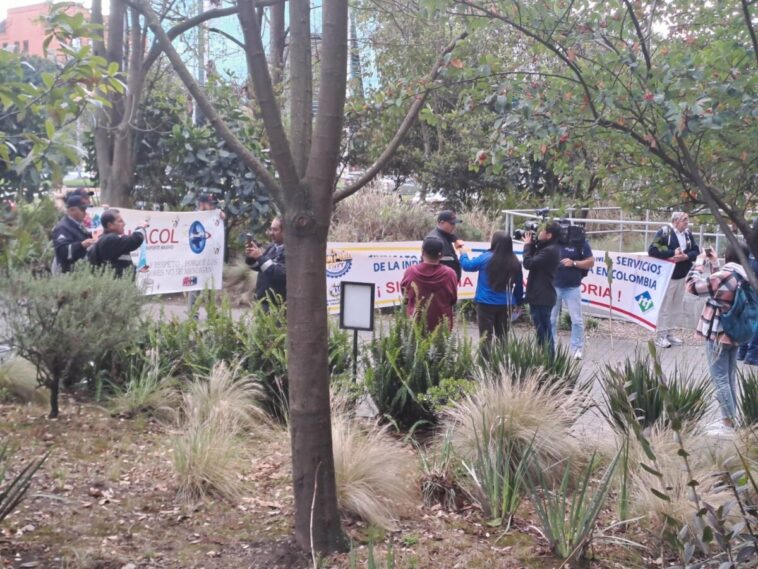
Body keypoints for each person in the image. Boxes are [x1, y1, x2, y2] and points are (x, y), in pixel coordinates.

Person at [686, 242, 751, 432]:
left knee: (720, 377)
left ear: (728, 255)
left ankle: (727, 424)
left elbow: (692, 286)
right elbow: (719, 287)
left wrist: (698, 263)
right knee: (729, 376)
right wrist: (714, 263)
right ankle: (730, 418)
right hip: (735, 331)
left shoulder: (723, 275)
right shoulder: (745, 276)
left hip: (717, 331)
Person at [460, 231, 523, 346]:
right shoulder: (516, 262)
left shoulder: (486, 257)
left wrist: (463, 254)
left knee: (485, 337)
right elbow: (519, 286)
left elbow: (467, 266)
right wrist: (518, 303)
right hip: (506, 304)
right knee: (503, 336)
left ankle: (485, 362)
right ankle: (502, 360)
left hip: (485, 302)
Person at [648, 211, 700, 347]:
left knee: (676, 306)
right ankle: (661, 335)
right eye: (684, 220)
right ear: (676, 221)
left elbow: (695, 251)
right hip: (668, 276)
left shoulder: (688, 234)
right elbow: (652, 250)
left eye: (687, 220)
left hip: (682, 275)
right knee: (665, 306)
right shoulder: (665, 233)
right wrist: (672, 253)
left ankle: (670, 333)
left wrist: (686, 257)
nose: (687, 223)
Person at [550, 229, 595, 360]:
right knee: (551, 319)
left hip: (572, 288)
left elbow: (591, 261)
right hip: (554, 286)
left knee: (576, 320)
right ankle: (550, 347)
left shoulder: (579, 241)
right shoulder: (553, 239)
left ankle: (577, 349)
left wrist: (574, 263)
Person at [401, 236, 458, 331]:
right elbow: (453, 299)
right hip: (442, 328)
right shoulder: (450, 274)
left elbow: (405, 295)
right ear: (441, 255)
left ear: (422, 252)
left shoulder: (410, 272)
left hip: (415, 326)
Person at [522, 221, 562, 357]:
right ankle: (542, 360)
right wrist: (533, 244)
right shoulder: (548, 248)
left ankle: (549, 362)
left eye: (542, 231)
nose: (539, 233)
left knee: (544, 333)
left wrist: (527, 246)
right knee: (541, 333)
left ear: (549, 235)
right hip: (540, 296)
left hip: (542, 297)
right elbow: (535, 259)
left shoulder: (550, 251)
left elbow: (528, 263)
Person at [188, 193, 224, 311]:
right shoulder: (192, 216)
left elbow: (222, 216)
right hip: (195, 259)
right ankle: (193, 315)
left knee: (210, 287)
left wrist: (221, 215)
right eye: (210, 205)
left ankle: (211, 314)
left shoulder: (213, 216)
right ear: (202, 205)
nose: (213, 207)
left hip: (209, 259)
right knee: (194, 287)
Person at [88, 209, 147, 278]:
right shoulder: (110, 240)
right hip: (114, 286)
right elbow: (134, 240)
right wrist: (141, 227)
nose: (124, 224)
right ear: (110, 225)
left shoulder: (106, 239)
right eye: (120, 221)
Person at [246, 216, 286, 305]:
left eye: (275, 230)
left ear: (285, 232)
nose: (271, 233)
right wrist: (252, 257)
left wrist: (260, 257)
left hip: (278, 304)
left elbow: (280, 274)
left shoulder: (292, 252)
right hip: (263, 301)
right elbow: (260, 267)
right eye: (271, 229)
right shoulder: (271, 247)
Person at [51, 193, 96, 273]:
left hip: (80, 271)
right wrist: (81, 245)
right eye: (82, 209)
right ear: (71, 210)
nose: (85, 212)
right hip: (66, 274)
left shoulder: (79, 225)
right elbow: (62, 251)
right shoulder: (62, 227)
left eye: (85, 210)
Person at [738, 217, 758, 365]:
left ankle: (742, 350)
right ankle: (753, 353)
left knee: (748, 316)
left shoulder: (748, 241)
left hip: (747, 279)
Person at [426, 210, 462, 281]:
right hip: (440, 284)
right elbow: (430, 265)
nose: (454, 226)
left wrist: (455, 239)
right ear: (441, 222)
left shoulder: (445, 235)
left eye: (454, 223)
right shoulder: (434, 239)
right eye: (451, 224)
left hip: (447, 283)